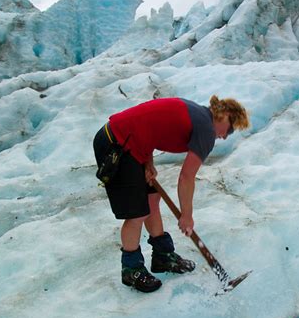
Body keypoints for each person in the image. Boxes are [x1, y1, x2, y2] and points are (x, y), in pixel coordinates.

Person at [93, 95, 250, 293]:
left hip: (128, 143)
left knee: (152, 198)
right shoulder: (205, 129)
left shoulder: (198, 115)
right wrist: (186, 215)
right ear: (225, 115)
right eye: (230, 129)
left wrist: (148, 161)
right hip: (116, 145)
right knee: (136, 213)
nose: (226, 136)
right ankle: (131, 269)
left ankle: (163, 256)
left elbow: (149, 125)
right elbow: (186, 177)